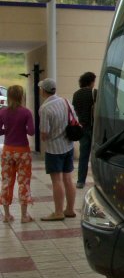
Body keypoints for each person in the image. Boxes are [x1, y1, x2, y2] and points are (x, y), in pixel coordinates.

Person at [38, 78, 77, 221]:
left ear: (43, 90)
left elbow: (44, 132)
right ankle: (70, 210)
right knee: (68, 178)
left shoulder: (45, 108)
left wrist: (45, 137)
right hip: (68, 146)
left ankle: (58, 212)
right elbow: (75, 119)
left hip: (54, 150)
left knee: (56, 180)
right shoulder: (65, 101)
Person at [0, 85, 35, 223]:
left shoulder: (3, 112)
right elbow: (31, 132)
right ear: (21, 96)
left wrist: (7, 130)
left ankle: (7, 215)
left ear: (9, 96)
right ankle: (24, 216)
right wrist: (22, 129)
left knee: (6, 182)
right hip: (23, 152)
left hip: (7, 151)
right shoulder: (26, 112)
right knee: (24, 182)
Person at [72, 71, 96, 189]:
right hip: (94, 128)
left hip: (82, 127)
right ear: (91, 81)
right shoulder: (94, 93)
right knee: (96, 155)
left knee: (83, 156)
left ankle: (80, 181)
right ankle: (98, 181)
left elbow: (75, 110)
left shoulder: (76, 94)